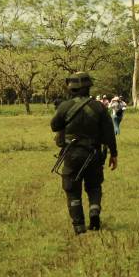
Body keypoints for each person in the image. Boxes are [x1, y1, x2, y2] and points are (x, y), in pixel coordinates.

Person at [51, 72, 118, 235]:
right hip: (94, 153)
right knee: (94, 186)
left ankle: (79, 226)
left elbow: (54, 126)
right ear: (88, 87)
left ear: (71, 87)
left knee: (72, 189)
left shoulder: (64, 107)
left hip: (71, 153)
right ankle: (94, 212)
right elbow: (109, 133)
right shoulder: (99, 107)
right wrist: (114, 154)